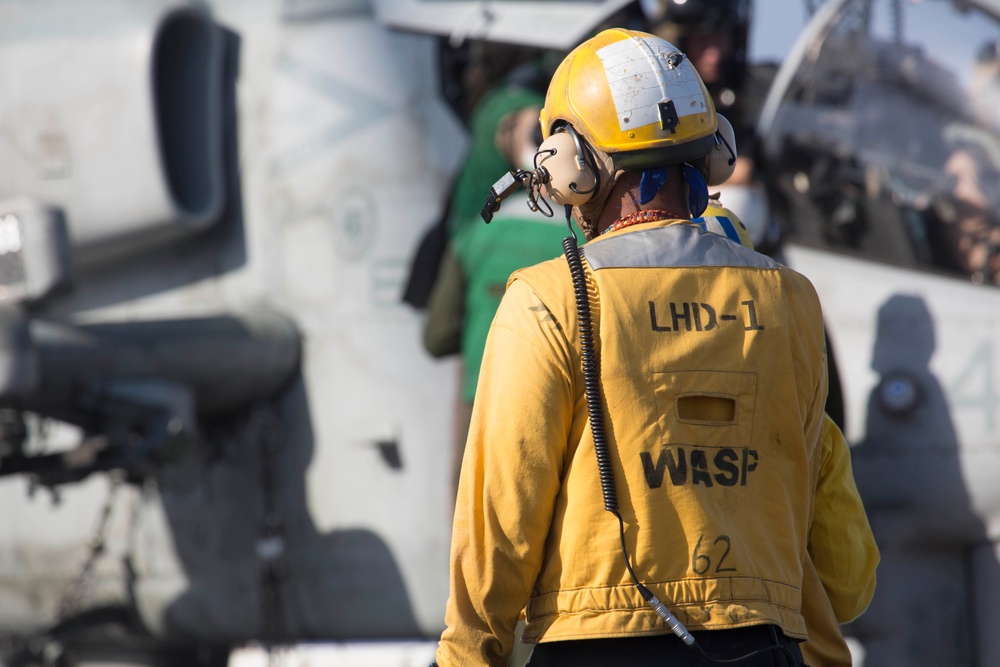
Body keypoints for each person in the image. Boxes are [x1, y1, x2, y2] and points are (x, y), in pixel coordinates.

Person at [434, 28, 878, 667]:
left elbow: (496, 535)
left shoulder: (547, 301)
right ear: (714, 151)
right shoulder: (793, 304)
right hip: (763, 649)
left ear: (570, 164)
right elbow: (843, 576)